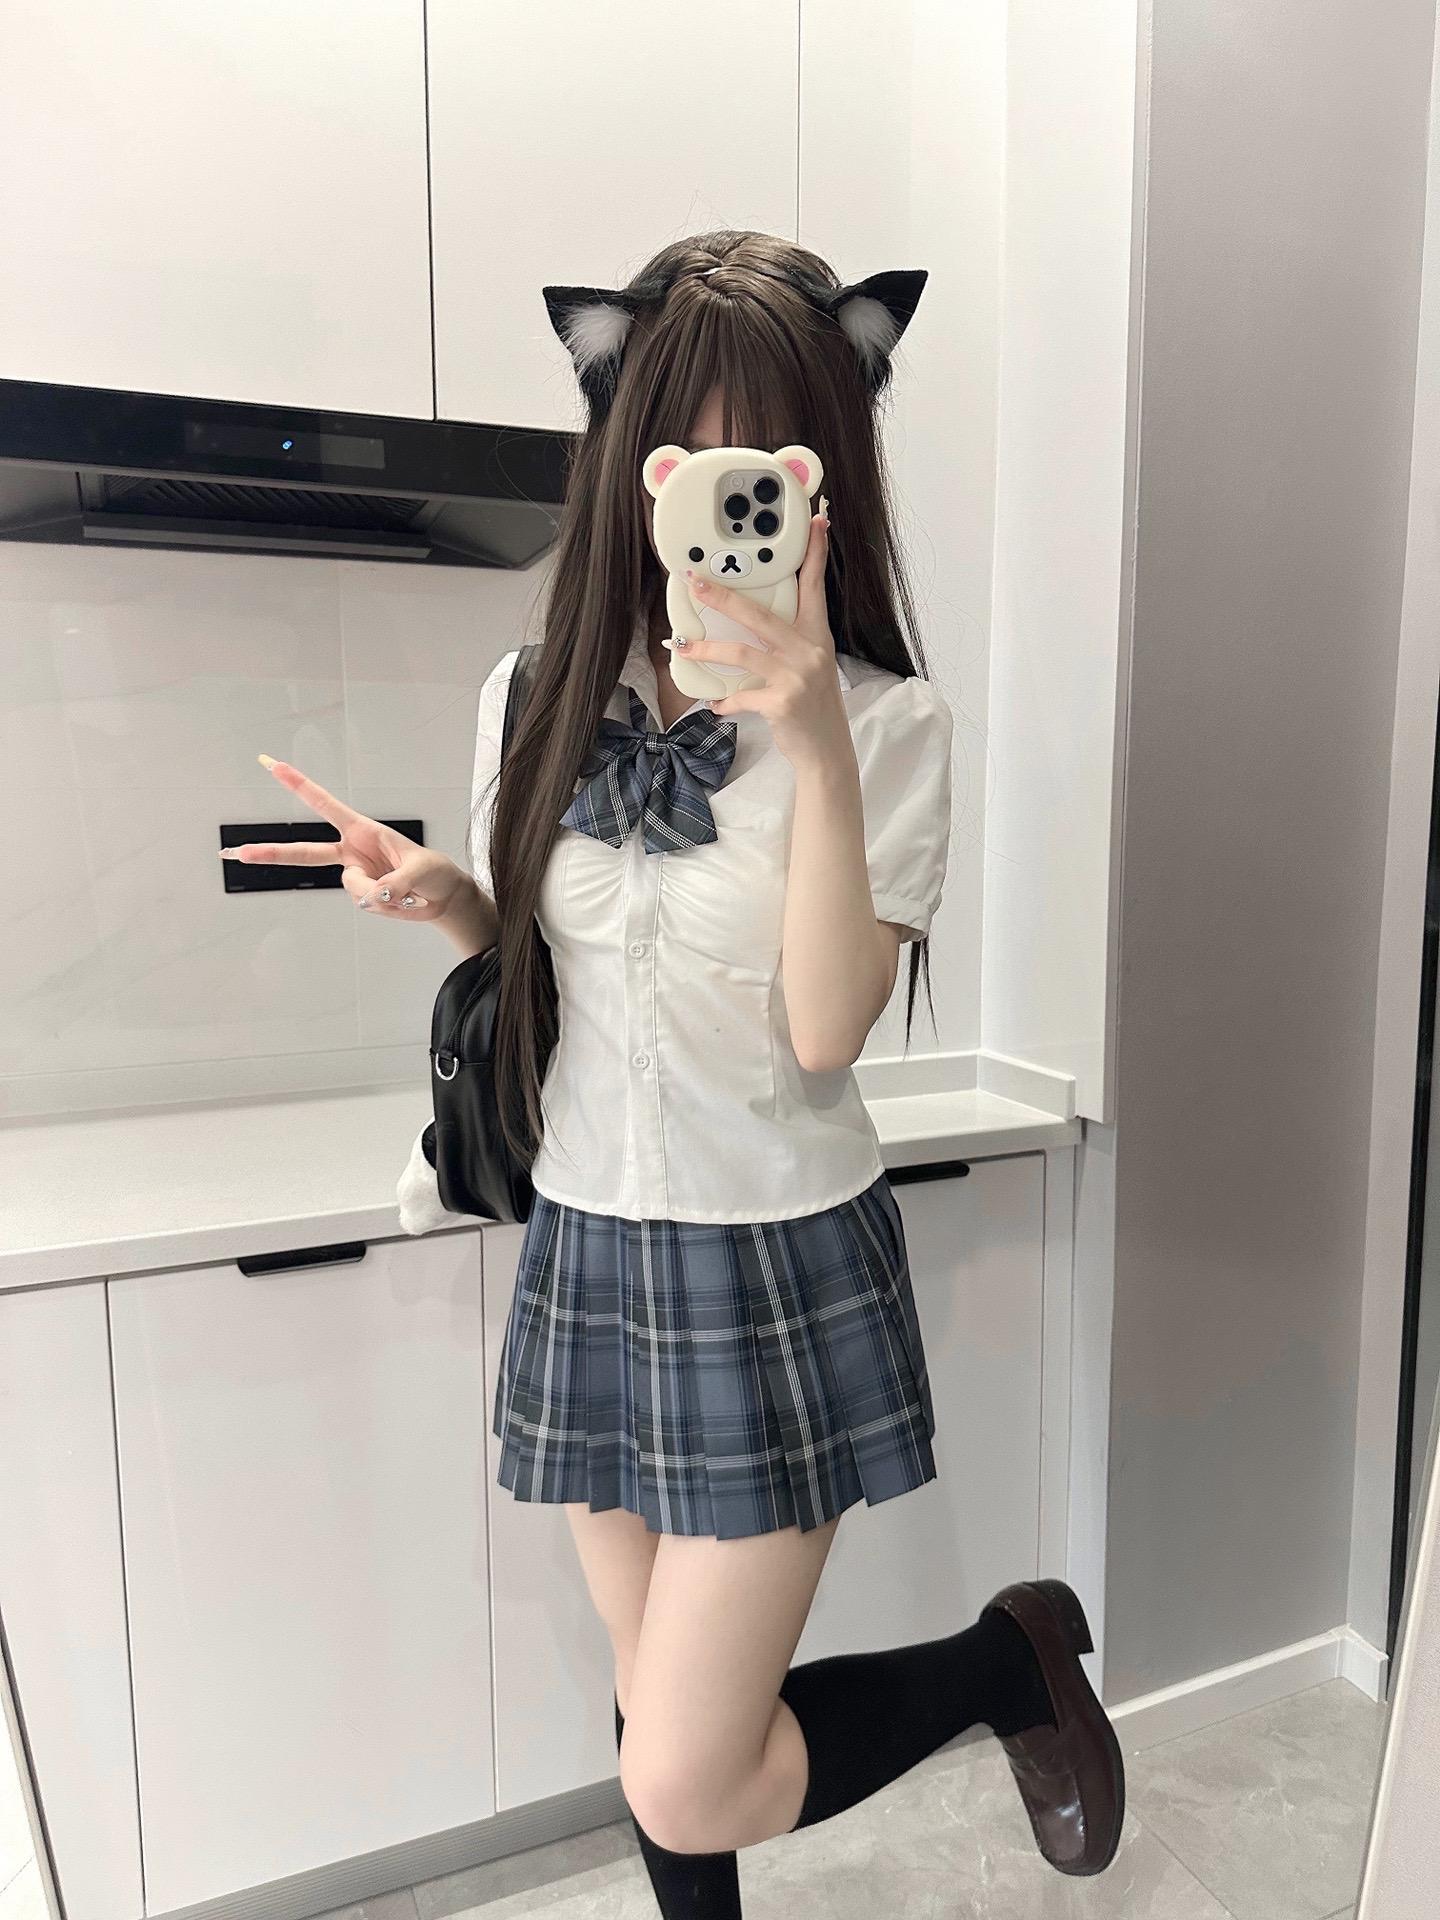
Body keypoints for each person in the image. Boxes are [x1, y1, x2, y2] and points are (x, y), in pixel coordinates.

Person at [234, 231, 1124, 1917]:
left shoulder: (890, 724)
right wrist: (455, 901)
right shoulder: (533, 694)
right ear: (630, 464)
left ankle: (1007, 1665)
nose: (723, 490)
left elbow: (825, 1031)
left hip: (773, 1255)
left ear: (820, 480)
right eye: (683, 446)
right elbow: (554, 975)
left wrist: (813, 737)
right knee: (659, 1700)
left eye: (764, 454)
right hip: (587, 1238)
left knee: (686, 1769)